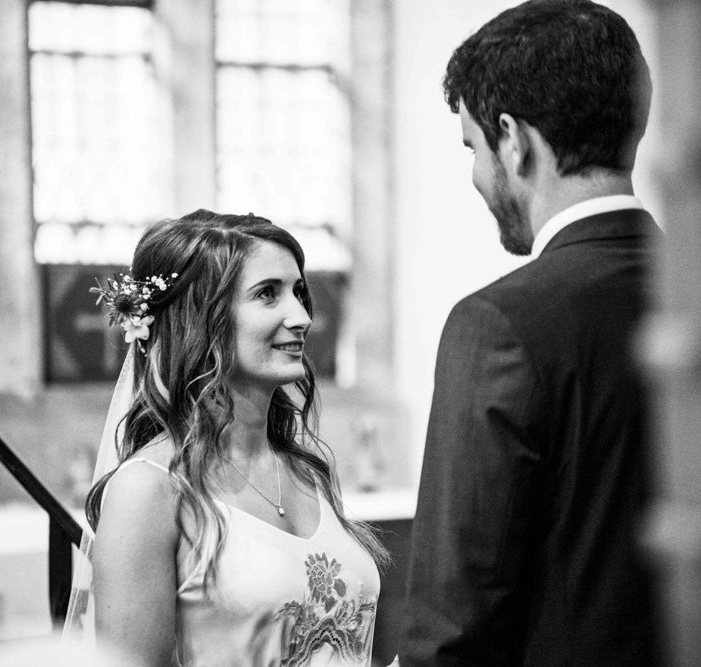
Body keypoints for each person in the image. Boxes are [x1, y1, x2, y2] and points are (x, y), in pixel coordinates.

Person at [400, 1, 662, 665]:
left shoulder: (501, 324)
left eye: (473, 146)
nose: (476, 174)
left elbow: (453, 619)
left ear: (513, 140)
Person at [66, 209, 389, 666]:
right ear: (201, 317)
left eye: (298, 292)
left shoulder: (305, 469)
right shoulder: (149, 490)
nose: (301, 317)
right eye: (267, 294)